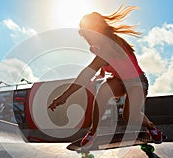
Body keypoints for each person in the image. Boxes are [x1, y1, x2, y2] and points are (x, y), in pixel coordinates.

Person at [48, 4, 162, 147]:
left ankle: (151, 127)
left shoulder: (112, 44)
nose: (88, 40)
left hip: (137, 82)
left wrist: (64, 96)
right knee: (103, 90)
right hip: (119, 81)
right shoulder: (97, 48)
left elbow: (86, 74)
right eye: (85, 37)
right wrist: (103, 70)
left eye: (89, 35)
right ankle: (93, 132)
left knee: (130, 116)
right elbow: (107, 65)